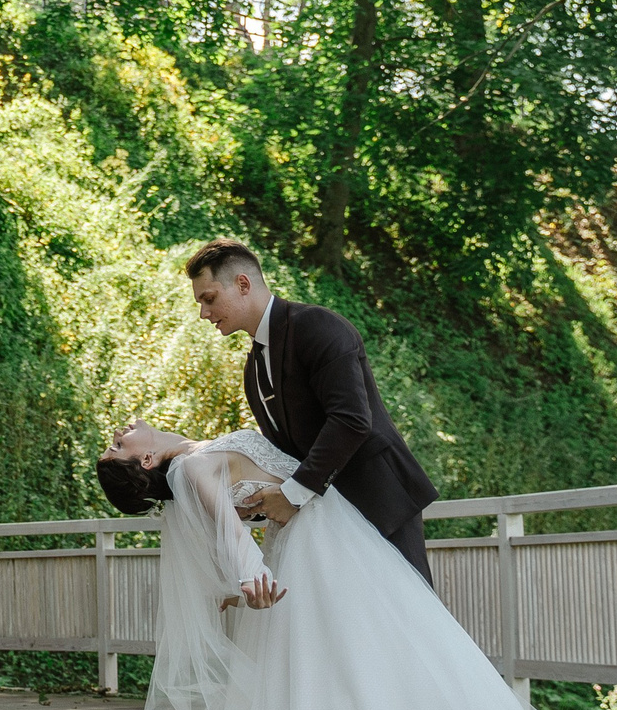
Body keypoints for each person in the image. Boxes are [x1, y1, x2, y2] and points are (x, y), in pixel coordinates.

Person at [42, 420, 602, 710]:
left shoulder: (198, 456)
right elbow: (224, 526)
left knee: (401, 662)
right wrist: (252, 572)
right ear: (144, 460)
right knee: (398, 662)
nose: (119, 433)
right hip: (322, 555)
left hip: (336, 541)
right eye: (117, 446)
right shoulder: (192, 470)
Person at [183, 239, 439, 581]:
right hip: (328, 519)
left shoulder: (316, 326)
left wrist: (292, 494)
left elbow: (351, 420)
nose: (204, 313)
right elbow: (285, 455)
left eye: (209, 298)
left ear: (242, 284)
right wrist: (257, 505)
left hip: (379, 501)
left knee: (409, 620)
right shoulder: (254, 369)